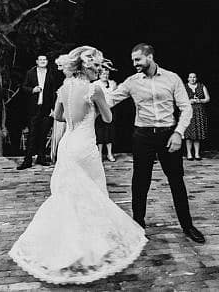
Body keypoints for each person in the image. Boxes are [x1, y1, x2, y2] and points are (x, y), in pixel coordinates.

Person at [9, 46, 147, 285]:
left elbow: (59, 116)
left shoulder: (64, 88)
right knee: (94, 196)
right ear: (89, 68)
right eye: (97, 67)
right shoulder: (93, 89)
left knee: (67, 197)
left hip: (67, 145)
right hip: (85, 147)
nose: (99, 71)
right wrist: (97, 105)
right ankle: (91, 248)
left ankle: (67, 248)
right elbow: (108, 118)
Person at [110, 43, 205, 244]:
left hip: (168, 134)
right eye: (133, 60)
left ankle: (187, 225)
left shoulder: (172, 78)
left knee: (177, 181)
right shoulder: (131, 82)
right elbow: (110, 100)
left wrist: (179, 133)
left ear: (150, 57)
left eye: (138, 59)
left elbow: (186, 108)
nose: (134, 63)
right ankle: (138, 225)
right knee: (140, 182)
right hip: (142, 136)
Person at [17, 55, 57, 170]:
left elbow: (53, 92)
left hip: (46, 108)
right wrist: (32, 90)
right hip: (33, 109)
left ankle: (41, 157)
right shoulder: (30, 73)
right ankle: (28, 160)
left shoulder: (51, 74)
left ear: (47, 62)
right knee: (32, 135)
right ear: (37, 62)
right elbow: (23, 87)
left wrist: (53, 108)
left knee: (43, 134)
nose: (43, 61)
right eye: (41, 60)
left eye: (44, 60)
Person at [50, 55, 72, 163]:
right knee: (60, 135)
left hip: (69, 110)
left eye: (61, 66)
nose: (60, 69)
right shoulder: (63, 79)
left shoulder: (72, 80)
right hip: (61, 110)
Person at [184, 72, 210, 161]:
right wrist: (189, 101)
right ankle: (189, 153)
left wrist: (200, 100)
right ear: (188, 78)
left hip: (199, 112)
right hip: (188, 112)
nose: (192, 79)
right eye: (190, 77)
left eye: (194, 77)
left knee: (197, 134)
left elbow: (207, 99)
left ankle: (197, 153)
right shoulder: (184, 87)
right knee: (188, 134)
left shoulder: (201, 86)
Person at [95, 69, 117, 162]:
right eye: (103, 74)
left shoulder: (112, 83)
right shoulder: (96, 84)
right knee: (100, 131)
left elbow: (116, 96)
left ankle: (109, 153)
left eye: (107, 74)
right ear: (99, 75)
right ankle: (99, 154)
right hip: (99, 110)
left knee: (109, 131)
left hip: (110, 110)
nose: (105, 76)